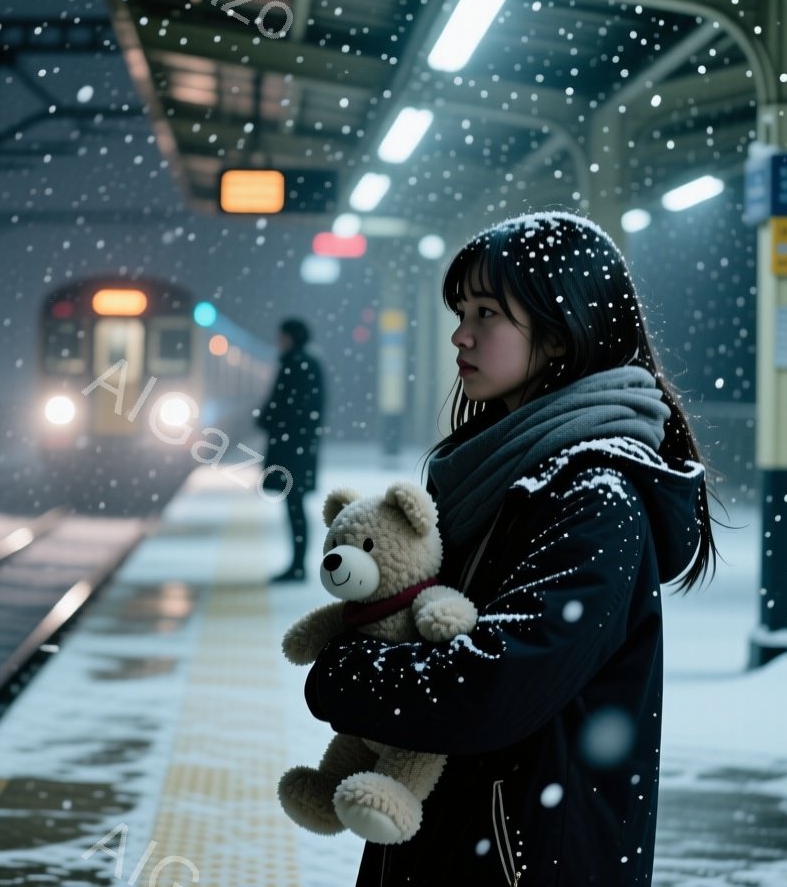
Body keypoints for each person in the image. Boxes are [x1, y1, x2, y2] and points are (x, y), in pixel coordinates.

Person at [303, 211, 720, 884]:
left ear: (559, 338)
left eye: (488, 313)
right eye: (461, 309)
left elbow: (488, 686)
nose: (460, 333)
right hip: (459, 847)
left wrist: (344, 672)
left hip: (522, 860)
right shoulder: (500, 475)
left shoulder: (596, 499)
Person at [256, 317, 326, 583]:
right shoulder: (307, 364)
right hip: (299, 450)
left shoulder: (295, 365)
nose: (278, 341)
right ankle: (296, 564)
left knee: (294, 507)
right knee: (294, 506)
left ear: (292, 337)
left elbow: (284, 407)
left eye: (282, 336)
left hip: (291, 451)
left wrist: (266, 419)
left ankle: (297, 566)